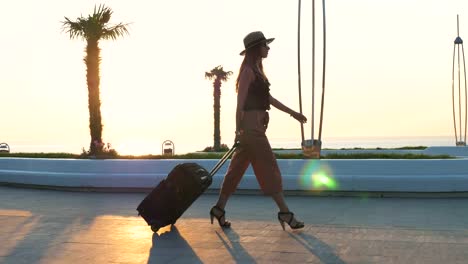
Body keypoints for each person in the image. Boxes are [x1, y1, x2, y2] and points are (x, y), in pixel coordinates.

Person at [210, 31, 308, 230]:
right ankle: (285, 213)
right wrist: (238, 131)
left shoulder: (256, 71)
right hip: (251, 130)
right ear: (257, 48)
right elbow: (240, 104)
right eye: (265, 45)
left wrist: (293, 113)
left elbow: (268, 99)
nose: (268, 48)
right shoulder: (247, 71)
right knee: (269, 166)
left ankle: (219, 208)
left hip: (253, 128)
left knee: (236, 170)